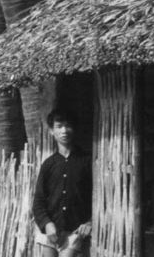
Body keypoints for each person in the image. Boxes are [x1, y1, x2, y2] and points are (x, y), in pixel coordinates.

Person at [32, 109, 93, 257]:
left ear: (75, 128)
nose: (64, 131)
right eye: (59, 126)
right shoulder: (48, 164)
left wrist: (90, 222)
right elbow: (38, 201)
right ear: (52, 131)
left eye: (68, 126)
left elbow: (97, 195)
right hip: (50, 231)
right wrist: (47, 224)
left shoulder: (86, 161)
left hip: (74, 231)